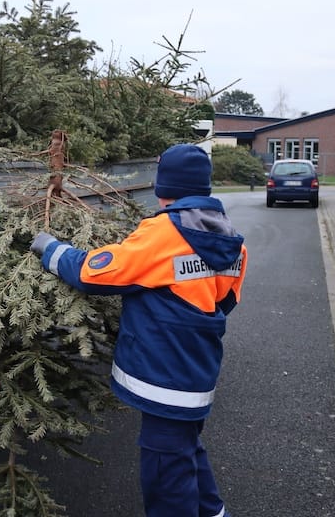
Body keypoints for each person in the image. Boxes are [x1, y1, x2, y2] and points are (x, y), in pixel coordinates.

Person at [30, 143, 247, 517]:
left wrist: (51, 249)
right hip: (197, 373)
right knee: (186, 451)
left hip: (163, 381)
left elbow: (93, 272)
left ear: (163, 189)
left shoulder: (162, 234)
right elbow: (224, 301)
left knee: (165, 477)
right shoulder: (230, 240)